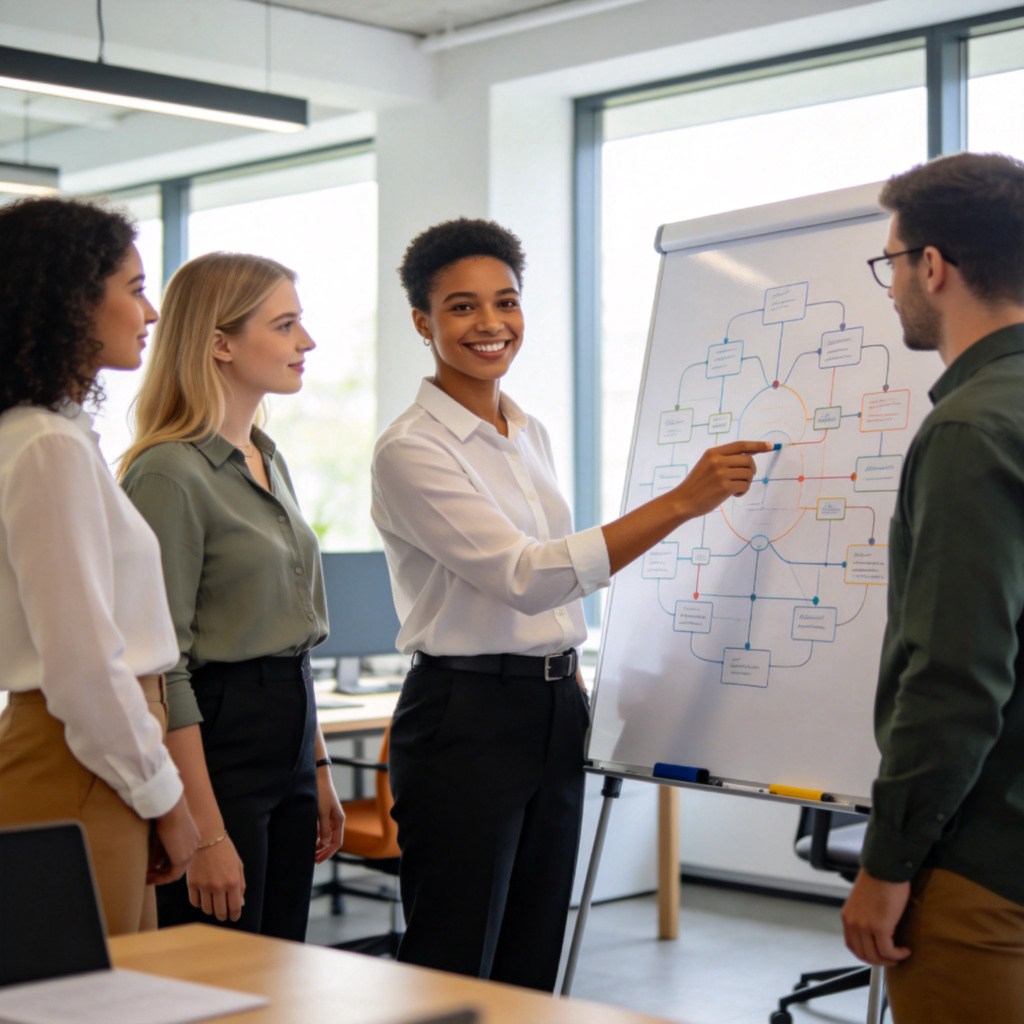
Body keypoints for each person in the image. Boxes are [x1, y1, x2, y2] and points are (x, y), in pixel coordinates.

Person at [372, 217, 769, 990]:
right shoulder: (411, 448)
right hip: (465, 714)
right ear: (423, 322)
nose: (491, 324)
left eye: (506, 302)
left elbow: (552, 586)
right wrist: (683, 502)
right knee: (454, 957)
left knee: (532, 947)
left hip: (552, 705)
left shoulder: (527, 431)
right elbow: (529, 577)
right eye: (461, 307)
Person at [840, 152, 1024, 1022]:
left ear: (935, 267)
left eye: (893, 264)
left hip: (984, 862)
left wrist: (886, 867)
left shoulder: (969, 429)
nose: (892, 287)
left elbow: (955, 677)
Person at [119, 252, 343, 940]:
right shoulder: (168, 474)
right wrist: (205, 834)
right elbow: (164, 667)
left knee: (284, 964)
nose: (305, 342)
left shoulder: (266, 457)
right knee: (225, 967)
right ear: (219, 343)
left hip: (292, 731)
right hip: (220, 741)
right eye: (285, 325)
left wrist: (322, 769)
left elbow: (294, 632)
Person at [0, 196, 198, 935]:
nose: (150, 312)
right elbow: (85, 666)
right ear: (72, 297)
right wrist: (167, 800)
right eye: (136, 287)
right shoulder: (46, 447)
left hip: (90, 754)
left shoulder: (52, 436)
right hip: (81, 759)